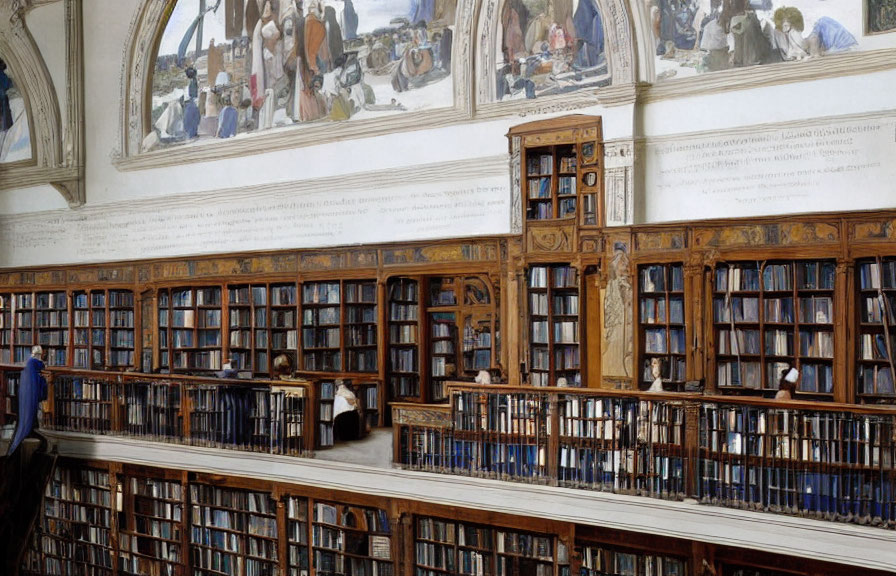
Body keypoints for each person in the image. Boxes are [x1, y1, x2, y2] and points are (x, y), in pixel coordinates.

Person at [6, 345, 48, 456]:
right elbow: (42, 366)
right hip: (31, 394)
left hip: (25, 394)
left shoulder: (28, 363)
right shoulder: (35, 363)